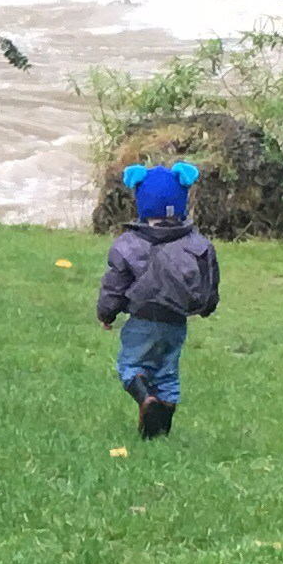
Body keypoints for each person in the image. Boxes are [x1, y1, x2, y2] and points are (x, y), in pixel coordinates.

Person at [97, 161, 218, 439]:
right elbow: (209, 280)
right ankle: (160, 431)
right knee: (167, 372)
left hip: (142, 319)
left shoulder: (128, 244)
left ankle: (145, 399)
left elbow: (114, 285)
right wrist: (206, 307)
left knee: (131, 365)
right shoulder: (198, 244)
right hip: (176, 322)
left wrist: (106, 313)